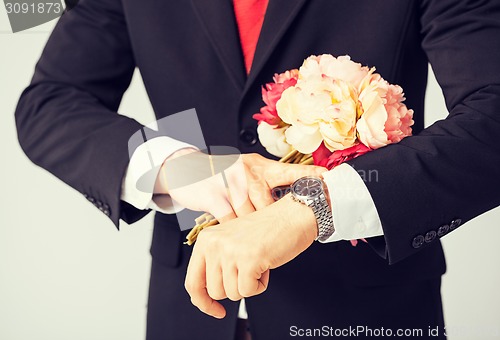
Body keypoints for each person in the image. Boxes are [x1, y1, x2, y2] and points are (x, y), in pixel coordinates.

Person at [15, 0, 500, 339]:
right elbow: (52, 101)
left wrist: (317, 208)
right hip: (188, 313)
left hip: (367, 311)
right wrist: (181, 169)